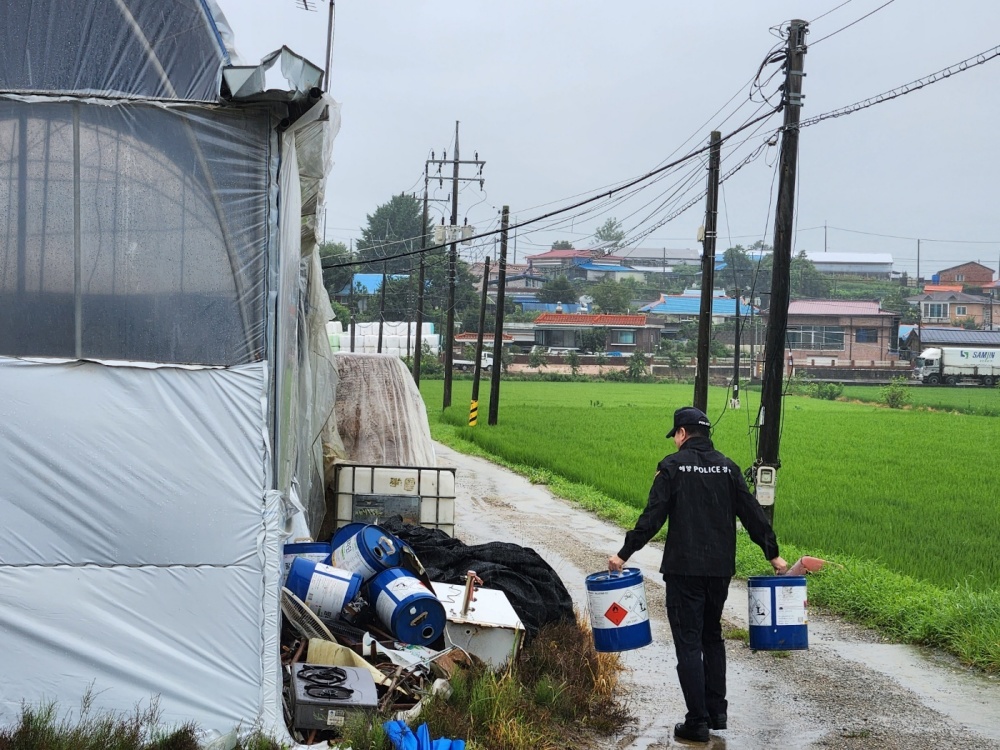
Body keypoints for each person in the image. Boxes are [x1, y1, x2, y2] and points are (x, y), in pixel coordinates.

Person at [608, 406, 787, 744]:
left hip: (684, 569)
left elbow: (652, 517)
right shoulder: (728, 467)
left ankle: (697, 721)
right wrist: (773, 553)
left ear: (682, 433)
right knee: (712, 637)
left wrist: (623, 553)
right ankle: (716, 712)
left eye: (675, 435)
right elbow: (753, 514)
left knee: (689, 642)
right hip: (719, 570)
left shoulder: (672, 467)